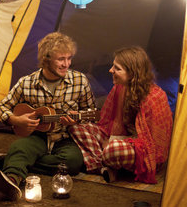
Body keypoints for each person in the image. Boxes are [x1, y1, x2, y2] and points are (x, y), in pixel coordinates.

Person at [0, 32, 97, 200]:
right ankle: (11, 180)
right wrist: (16, 119)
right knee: (20, 146)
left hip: (66, 137)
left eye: (69, 58)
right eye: (61, 59)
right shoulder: (26, 83)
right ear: (46, 59)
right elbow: (2, 107)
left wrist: (78, 118)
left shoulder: (80, 80)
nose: (67, 64)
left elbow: (91, 112)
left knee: (72, 163)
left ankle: (14, 161)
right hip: (37, 136)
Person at [68, 46, 173, 184]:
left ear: (132, 73)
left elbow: (153, 146)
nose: (110, 70)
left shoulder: (154, 97)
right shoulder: (119, 88)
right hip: (120, 140)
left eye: (117, 68)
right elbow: (106, 124)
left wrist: (117, 143)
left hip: (144, 151)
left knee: (113, 150)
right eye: (113, 66)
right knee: (77, 128)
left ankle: (103, 162)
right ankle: (103, 167)